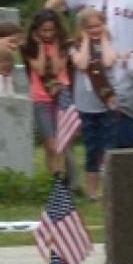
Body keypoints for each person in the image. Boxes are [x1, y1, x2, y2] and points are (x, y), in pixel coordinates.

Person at [47, 0, 133, 148]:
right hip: (91, 75)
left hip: (122, 72)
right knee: (97, 140)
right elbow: (51, 7)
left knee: (126, 133)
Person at [21, 10, 79, 187]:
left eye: (51, 30)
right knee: (51, 144)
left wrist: (54, 46)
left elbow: (55, 69)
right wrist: (40, 46)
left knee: (64, 142)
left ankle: (69, 182)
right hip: (40, 98)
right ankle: (56, 180)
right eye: (43, 31)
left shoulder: (63, 45)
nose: (48, 34)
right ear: (36, 30)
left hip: (61, 95)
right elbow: (38, 69)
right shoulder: (27, 47)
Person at [69, 8, 117, 200]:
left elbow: (108, 61)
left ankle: (109, 189)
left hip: (107, 104)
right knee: (91, 149)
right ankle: (92, 192)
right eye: (90, 27)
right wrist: (86, 40)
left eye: (98, 25)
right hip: (85, 106)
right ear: (82, 29)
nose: (95, 30)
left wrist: (104, 38)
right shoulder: (74, 47)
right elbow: (81, 64)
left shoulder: (109, 43)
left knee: (108, 148)